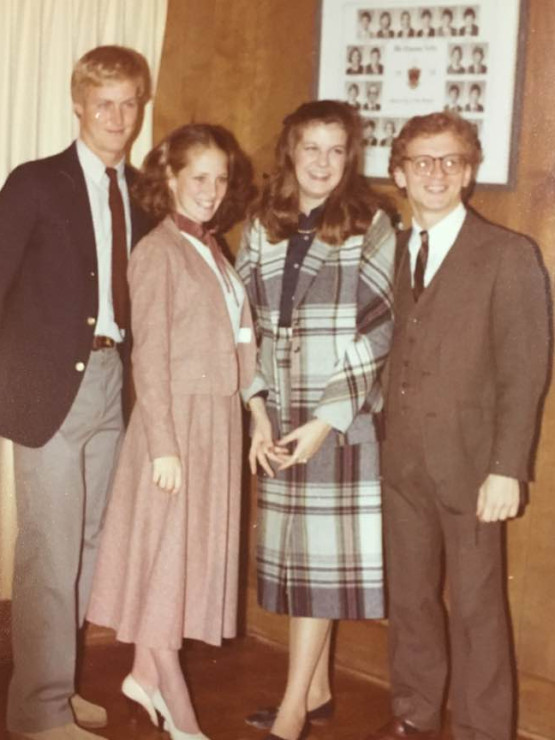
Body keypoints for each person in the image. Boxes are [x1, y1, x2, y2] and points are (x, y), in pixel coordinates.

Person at [366, 112, 550, 740]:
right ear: (400, 173)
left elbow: (525, 374)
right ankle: (414, 712)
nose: (436, 173)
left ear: (469, 172)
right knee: (411, 600)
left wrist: (507, 467)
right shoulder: (383, 251)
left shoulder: (508, 254)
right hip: (400, 463)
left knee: (476, 609)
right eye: (422, 161)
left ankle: (482, 730)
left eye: (450, 161)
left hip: (473, 467)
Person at [0, 45, 152, 740]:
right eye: (104, 104)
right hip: (50, 389)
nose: (117, 117)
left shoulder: (144, 190)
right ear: (78, 106)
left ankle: (58, 692)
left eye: (128, 103)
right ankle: (35, 713)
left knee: (91, 545)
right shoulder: (34, 182)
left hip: (114, 384)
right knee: (49, 553)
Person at [86, 123, 256, 740]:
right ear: (172, 178)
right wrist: (163, 445)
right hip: (175, 427)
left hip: (216, 423)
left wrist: (256, 413)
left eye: (220, 179)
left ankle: (141, 676)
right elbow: (148, 357)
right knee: (163, 563)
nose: (211, 191)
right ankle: (182, 718)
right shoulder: (158, 250)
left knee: (174, 561)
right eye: (199, 177)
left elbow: (242, 343)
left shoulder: (212, 250)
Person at [237, 100, 395, 740]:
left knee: (318, 563)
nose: (323, 162)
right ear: (291, 153)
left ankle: (294, 708)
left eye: (336, 150)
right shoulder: (262, 223)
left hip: (339, 419)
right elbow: (240, 322)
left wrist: (328, 420)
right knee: (300, 561)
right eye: (311, 148)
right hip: (276, 415)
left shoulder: (372, 223)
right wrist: (255, 411)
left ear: (348, 157)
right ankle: (321, 686)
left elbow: (377, 329)